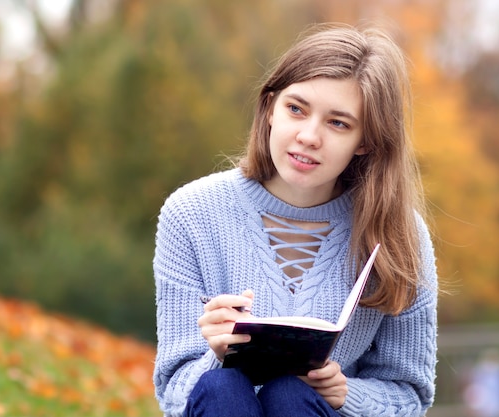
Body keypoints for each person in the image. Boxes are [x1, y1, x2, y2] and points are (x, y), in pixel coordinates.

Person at [153, 23, 438, 417]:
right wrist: (214, 355)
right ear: (270, 108)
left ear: (366, 141)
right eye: (296, 109)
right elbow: (173, 388)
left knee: (290, 394)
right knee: (221, 386)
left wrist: (345, 394)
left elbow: (410, 395)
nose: (308, 136)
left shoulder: (399, 234)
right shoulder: (190, 214)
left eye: (338, 123)